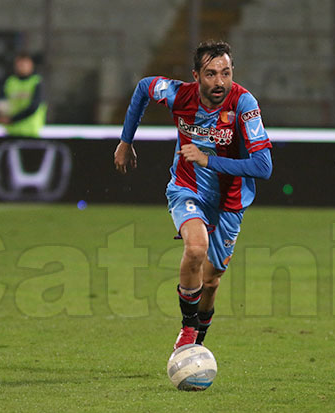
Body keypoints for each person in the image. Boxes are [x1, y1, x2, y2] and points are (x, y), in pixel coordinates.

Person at [114, 40, 273, 350]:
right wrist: (125, 141)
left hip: (229, 203)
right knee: (196, 248)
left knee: (211, 282)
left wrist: (207, 160)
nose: (220, 82)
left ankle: (195, 344)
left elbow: (263, 167)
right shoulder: (179, 95)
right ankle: (188, 329)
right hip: (187, 189)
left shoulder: (244, 104)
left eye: (226, 73)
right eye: (211, 74)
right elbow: (144, 87)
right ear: (196, 76)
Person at [0, 52, 47, 138]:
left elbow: (34, 106)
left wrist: (12, 120)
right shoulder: (9, 81)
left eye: (24, 64)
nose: (21, 67)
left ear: (31, 65)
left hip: (31, 132)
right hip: (11, 131)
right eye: (19, 65)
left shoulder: (36, 82)